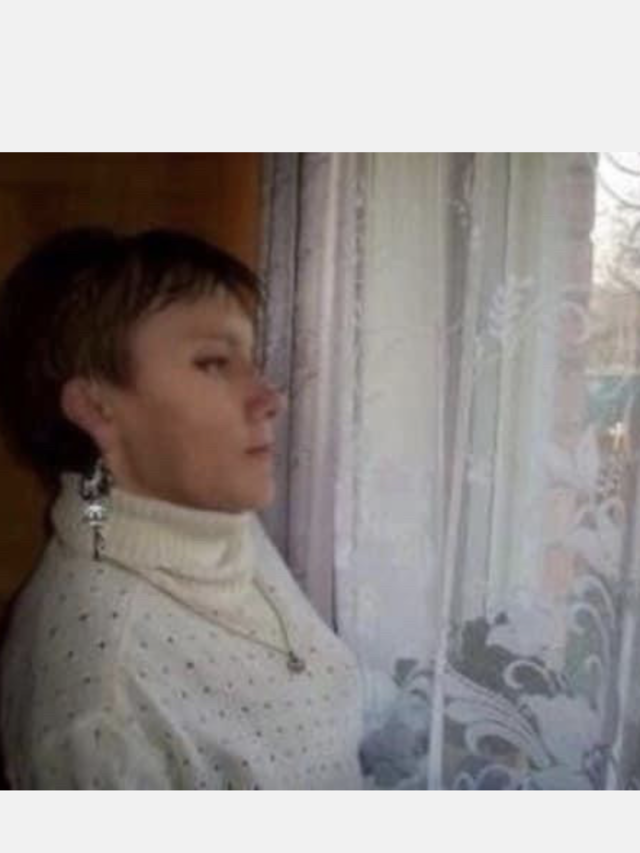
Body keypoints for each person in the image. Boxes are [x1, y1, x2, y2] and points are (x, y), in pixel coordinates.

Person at [0, 228, 366, 789]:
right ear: (96, 407)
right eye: (214, 363)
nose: (271, 398)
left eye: (250, 360)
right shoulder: (100, 717)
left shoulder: (217, 528)